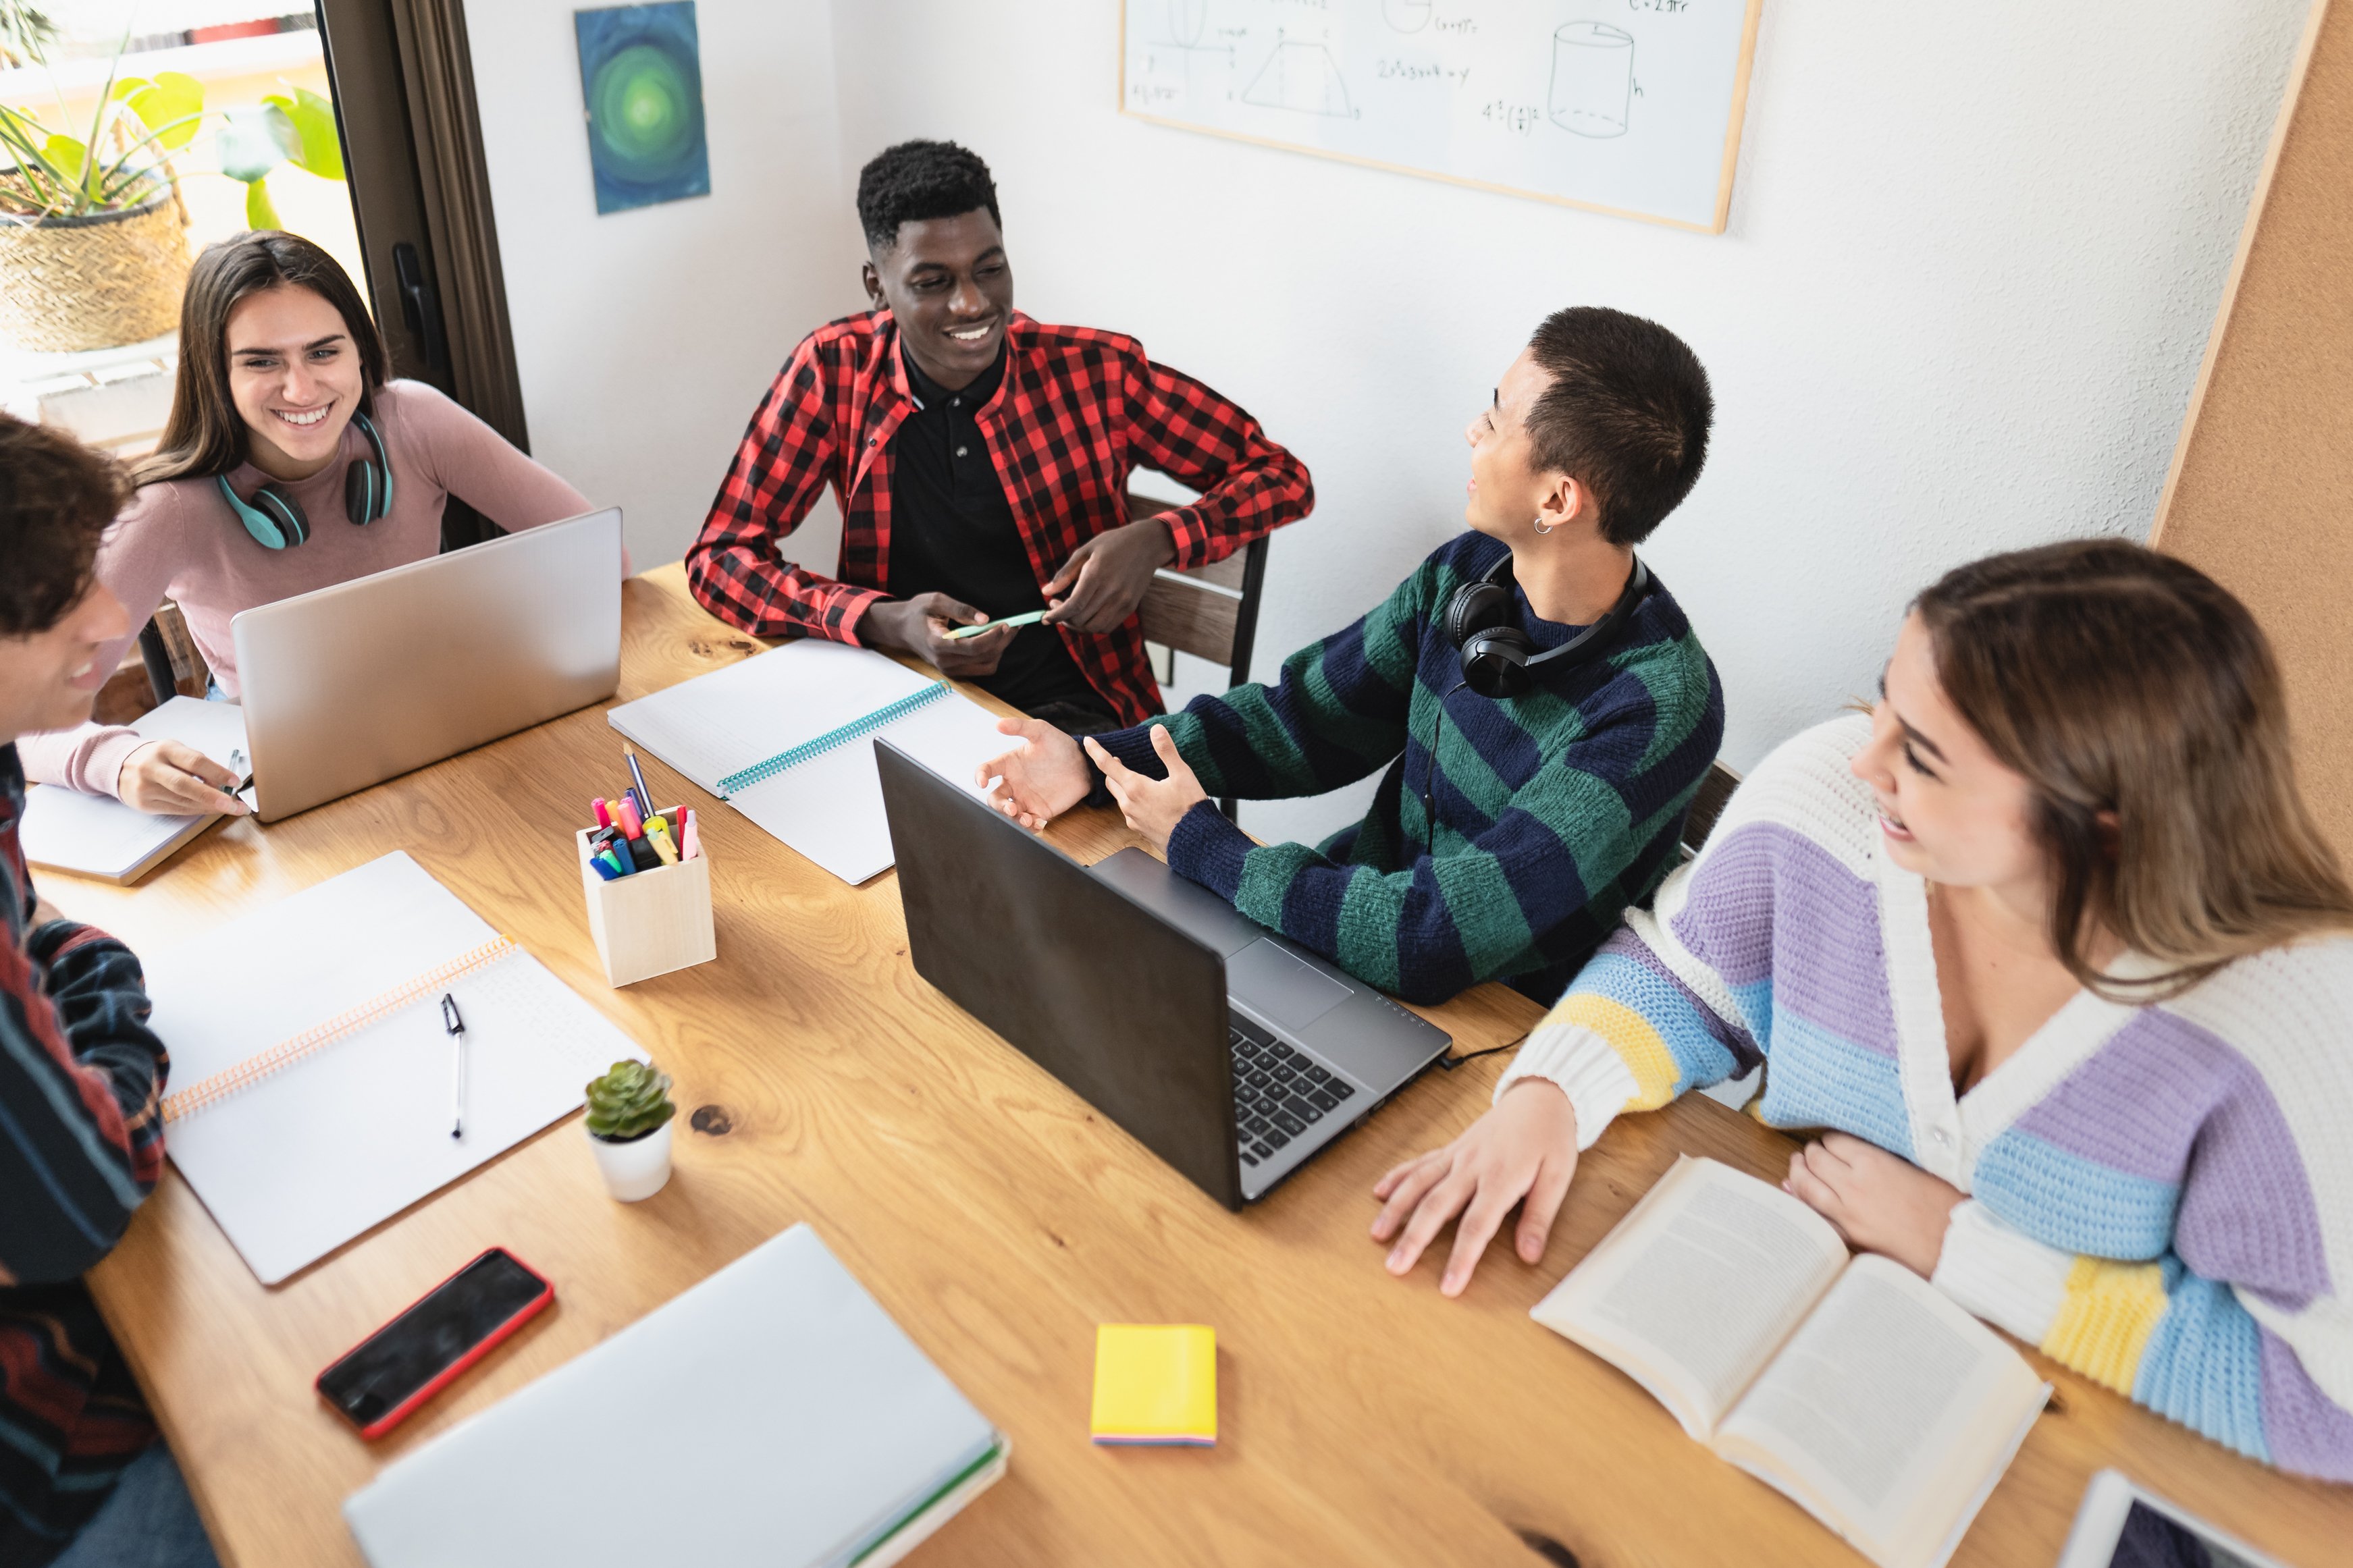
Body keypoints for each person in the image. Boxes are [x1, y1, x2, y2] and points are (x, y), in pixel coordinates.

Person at [1371, 540, 2353, 1480]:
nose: (1862, 758)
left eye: (1921, 754)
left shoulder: (2285, 1019)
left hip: (2042, 1456)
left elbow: (2328, 1398)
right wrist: (1547, 1092)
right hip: (1751, 1355)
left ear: (2101, 820)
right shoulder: (1826, 806)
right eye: (1885, 698)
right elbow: (1680, 977)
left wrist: (1962, 1247)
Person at [981, 307, 1724, 1008]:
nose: (1473, 429)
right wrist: (1094, 762)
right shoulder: (1466, 573)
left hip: (1499, 1028)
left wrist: (1201, 844)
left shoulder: (1654, 707)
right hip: (1344, 936)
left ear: (1558, 501)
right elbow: (1303, 719)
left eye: (1495, 420)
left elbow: (1433, 935)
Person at [685, 139, 1311, 734]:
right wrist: (886, 621)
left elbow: (1280, 476)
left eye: (990, 269)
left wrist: (1157, 539)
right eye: (933, 282)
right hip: (898, 693)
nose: (972, 304)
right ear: (877, 286)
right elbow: (718, 558)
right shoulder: (834, 369)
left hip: (1075, 713)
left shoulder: (1097, 372)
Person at [21, 231, 598, 815]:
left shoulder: (414, 421)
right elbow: (20, 712)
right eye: (262, 361)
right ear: (215, 374)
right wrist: (113, 762)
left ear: (360, 352)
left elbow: (600, 558)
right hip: (287, 786)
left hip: (439, 728)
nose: (300, 388)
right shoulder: (169, 509)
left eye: (324, 352)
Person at [0, 416, 218, 1567]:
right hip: (46, 1454)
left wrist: (55, 975)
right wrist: (101, 980)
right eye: (51, 602)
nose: (106, 619)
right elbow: (78, 1193)